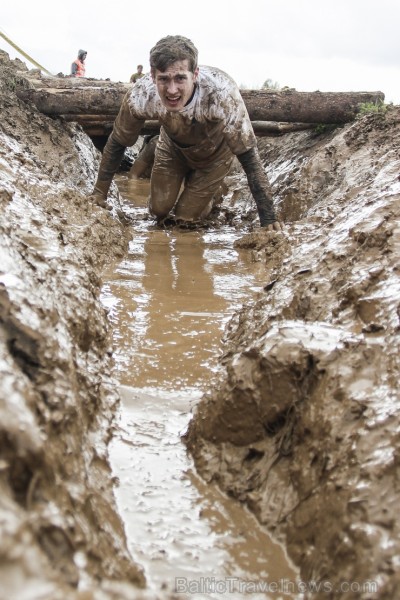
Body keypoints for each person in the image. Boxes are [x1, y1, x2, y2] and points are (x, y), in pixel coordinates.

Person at [90, 35, 281, 230]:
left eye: (180, 78)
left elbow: (249, 157)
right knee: (158, 211)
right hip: (173, 147)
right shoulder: (141, 95)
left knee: (185, 218)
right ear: (152, 75)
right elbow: (118, 141)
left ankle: (213, 195)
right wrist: (99, 193)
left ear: (195, 74)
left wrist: (268, 218)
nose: (172, 90)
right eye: (164, 79)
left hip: (214, 156)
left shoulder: (221, 93)